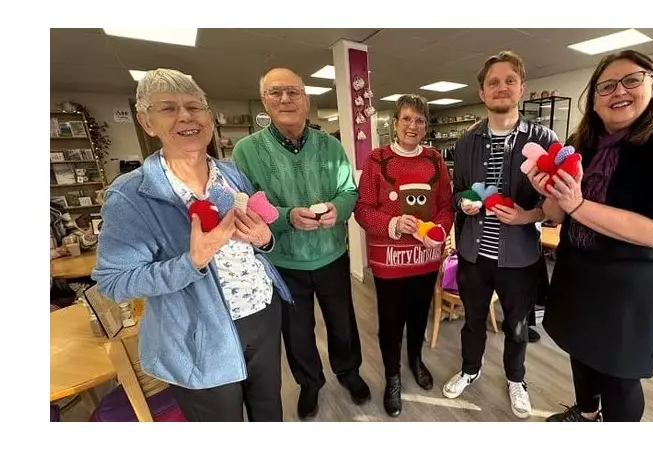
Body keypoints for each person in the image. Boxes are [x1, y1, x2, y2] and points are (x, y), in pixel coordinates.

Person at [92, 68, 292, 422]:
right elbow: (113, 283)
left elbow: (255, 240)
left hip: (261, 312)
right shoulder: (130, 195)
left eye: (195, 107)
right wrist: (192, 260)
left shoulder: (230, 173)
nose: (185, 116)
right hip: (198, 335)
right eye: (168, 108)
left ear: (209, 118)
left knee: (269, 411)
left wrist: (265, 239)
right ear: (146, 122)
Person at [527, 50, 653, 422]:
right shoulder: (582, 143)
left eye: (632, 80)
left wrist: (577, 205)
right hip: (579, 270)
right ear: (593, 99)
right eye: (605, 86)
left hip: (636, 283)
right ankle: (587, 413)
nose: (618, 92)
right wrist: (549, 192)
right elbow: (555, 215)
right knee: (580, 352)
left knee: (619, 374)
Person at [232, 68, 369, 420]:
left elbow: (349, 192)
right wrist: (288, 216)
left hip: (332, 256)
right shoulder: (247, 151)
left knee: (342, 321)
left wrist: (337, 211)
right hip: (283, 263)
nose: (285, 100)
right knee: (296, 332)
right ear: (265, 101)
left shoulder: (331, 146)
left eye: (293, 92)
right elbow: (244, 205)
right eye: (275, 93)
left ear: (306, 100)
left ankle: (349, 372)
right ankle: (310, 384)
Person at [443, 51, 558, 419]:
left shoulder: (543, 139)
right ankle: (470, 369)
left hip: (520, 257)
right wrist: (464, 205)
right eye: (493, 81)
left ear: (522, 88)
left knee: (518, 325)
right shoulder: (465, 142)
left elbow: (554, 203)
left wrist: (526, 215)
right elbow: (459, 191)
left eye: (510, 80)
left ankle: (516, 378)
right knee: (473, 320)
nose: (501, 87)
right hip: (474, 255)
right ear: (482, 91)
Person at [354, 94, 454, 417]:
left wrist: (435, 231)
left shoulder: (436, 161)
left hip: (425, 261)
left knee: (418, 316)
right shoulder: (377, 160)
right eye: (407, 119)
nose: (413, 126)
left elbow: (445, 207)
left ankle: (415, 360)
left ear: (426, 126)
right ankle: (393, 377)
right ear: (394, 123)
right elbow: (362, 210)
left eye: (420, 120)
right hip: (390, 263)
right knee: (391, 322)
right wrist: (394, 223)